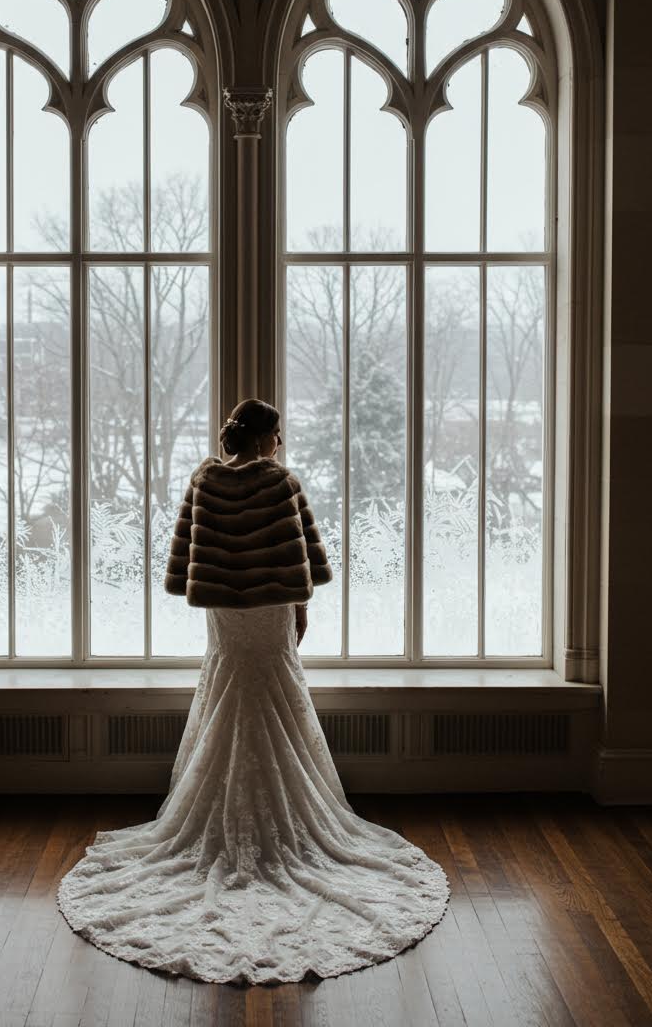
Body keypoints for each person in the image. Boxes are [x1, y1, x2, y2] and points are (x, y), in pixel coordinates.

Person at [58, 399, 449, 984]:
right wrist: (300, 608)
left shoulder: (203, 480)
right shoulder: (280, 483)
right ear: (266, 438)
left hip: (223, 612)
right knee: (273, 692)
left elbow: (187, 554)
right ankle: (282, 823)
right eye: (279, 435)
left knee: (227, 689)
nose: (282, 444)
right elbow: (299, 560)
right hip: (267, 608)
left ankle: (225, 818)